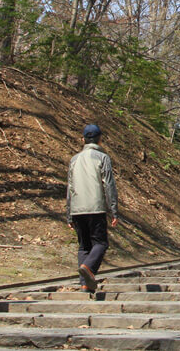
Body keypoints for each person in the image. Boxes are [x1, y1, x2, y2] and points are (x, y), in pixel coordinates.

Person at [68, 124, 119, 293]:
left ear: (83, 140)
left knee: (84, 246)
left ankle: (85, 284)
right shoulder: (103, 158)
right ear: (100, 139)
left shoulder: (74, 160)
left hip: (77, 208)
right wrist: (113, 210)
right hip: (95, 207)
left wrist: (69, 214)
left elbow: (70, 188)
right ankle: (88, 267)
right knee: (101, 243)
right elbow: (109, 185)